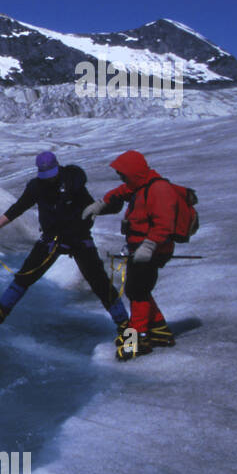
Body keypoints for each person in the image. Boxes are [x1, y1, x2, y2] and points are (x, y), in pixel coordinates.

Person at [0, 151, 130, 332]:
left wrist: (107, 207)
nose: (49, 180)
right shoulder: (36, 187)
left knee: (99, 283)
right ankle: (1, 310)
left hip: (78, 238)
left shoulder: (73, 181)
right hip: (52, 239)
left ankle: (125, 325)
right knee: (25, 274)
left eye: (52, 176)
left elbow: (90, 207)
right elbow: (17, 209)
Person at [82, 149, 176, 361]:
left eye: (124, 174)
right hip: (139, 248)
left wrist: (149, 246)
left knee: (137, 292)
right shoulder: (139, 186)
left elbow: (165, 223)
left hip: (152, 250)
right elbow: (120, 192)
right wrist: (102, 204)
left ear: (134, 172)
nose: (122, 178)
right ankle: (160, 331)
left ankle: (137, 340)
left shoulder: (159, 189)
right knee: (140, 289)